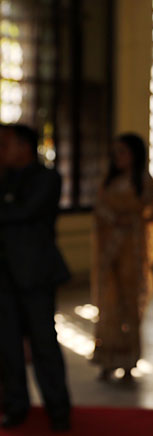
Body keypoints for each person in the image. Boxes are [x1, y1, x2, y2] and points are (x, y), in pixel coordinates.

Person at [0, 124, 71, 432]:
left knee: (43, 344)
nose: (1, 151)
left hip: (35, 275)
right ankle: (15, 405)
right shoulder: (4, 178)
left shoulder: (47, 178)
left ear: (25, 147)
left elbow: (24, 212)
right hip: (4, 277)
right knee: (7, 346)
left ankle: (58, 409)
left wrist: (9, 205)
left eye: (6, 144)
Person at [91, 133, 153, 381]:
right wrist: (114, 219)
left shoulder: (143, 181)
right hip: (109, 253)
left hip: (133, 252)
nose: (118, 157)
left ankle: (129, 359)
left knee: (130, 305)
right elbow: (99, 209)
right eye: (115, 152)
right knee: (109, 303)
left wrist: (131, 218)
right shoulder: (108, 181)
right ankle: (107, 357)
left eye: (123, 152)